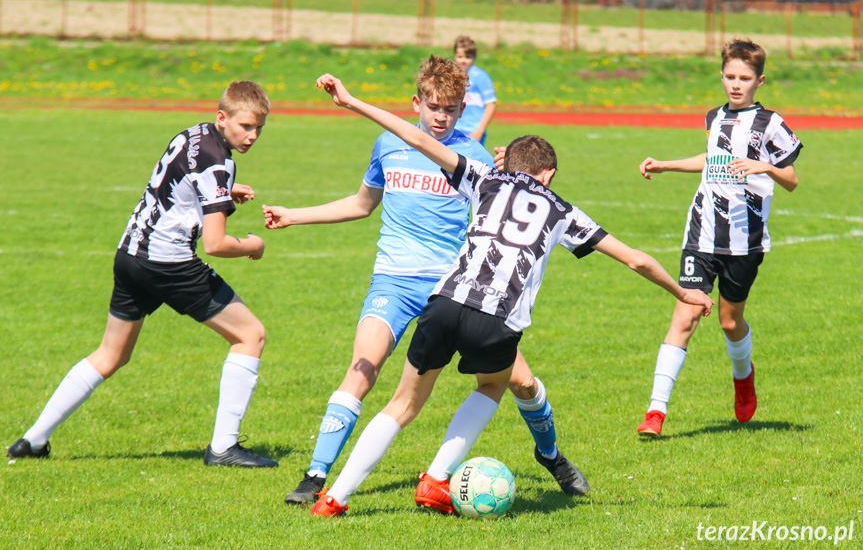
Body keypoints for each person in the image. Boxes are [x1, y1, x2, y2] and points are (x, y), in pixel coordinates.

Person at [308, 72, 714, 517]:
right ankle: (435, 480)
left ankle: (334, 498)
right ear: (550, 174)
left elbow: (413, 137)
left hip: (444, 302)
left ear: (507, 164)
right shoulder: (563, 211)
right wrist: (684, 292)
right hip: (496, 318)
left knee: (403, 402)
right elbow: (636, 259)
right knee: (495, 384)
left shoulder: (482, 178)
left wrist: (350, 101)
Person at [265, 55, 589, 508]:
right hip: (394, 281)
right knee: (363, 368)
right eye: (434, 106)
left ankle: (551, 456)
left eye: (451, 108)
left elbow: (511, 206)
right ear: (416, 102)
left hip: (456, 290)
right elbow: (362, 204)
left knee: (522, 383)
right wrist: (294, 215)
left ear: (462, 109)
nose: (441, 116)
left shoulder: (471, 156)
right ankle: (315, 475)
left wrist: (510, 172)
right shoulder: (387, 145)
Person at [7, 81, 278, 468]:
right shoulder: (220, 163)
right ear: (223, 117)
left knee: (110, 354)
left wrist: (224, 191)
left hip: (131, 254)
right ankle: (223, 448)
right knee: (251, 335)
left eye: (259, 129)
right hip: (170, 264)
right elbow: (216, 244)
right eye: (246, 126)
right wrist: (254, 245)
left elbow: (181, 179)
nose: (252, 136)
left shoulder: (193, 134)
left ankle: (32, 440)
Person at [635, 38, 802, 438]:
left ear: (760, 81)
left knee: (730, 323)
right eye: (730, 76)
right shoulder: (713, 117)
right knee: (685, 313)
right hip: (702, 233)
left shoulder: (771, 124)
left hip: (745, 241)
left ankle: (743, 378)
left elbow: (792, 180)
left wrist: (764, 166)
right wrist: (666, 165)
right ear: (722, 75)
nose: (736, 84)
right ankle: (655, 412)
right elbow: (711, 158)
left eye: (745, 78)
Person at [453, 35, 496, 145]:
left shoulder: (480, 76)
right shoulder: (451, 75)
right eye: (460, 56)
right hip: (454, 129)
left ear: (474, 57)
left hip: (474, 130)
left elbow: (491, 104)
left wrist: (479, 131)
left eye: (468, 57)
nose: (463, 60)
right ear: (454, 56)